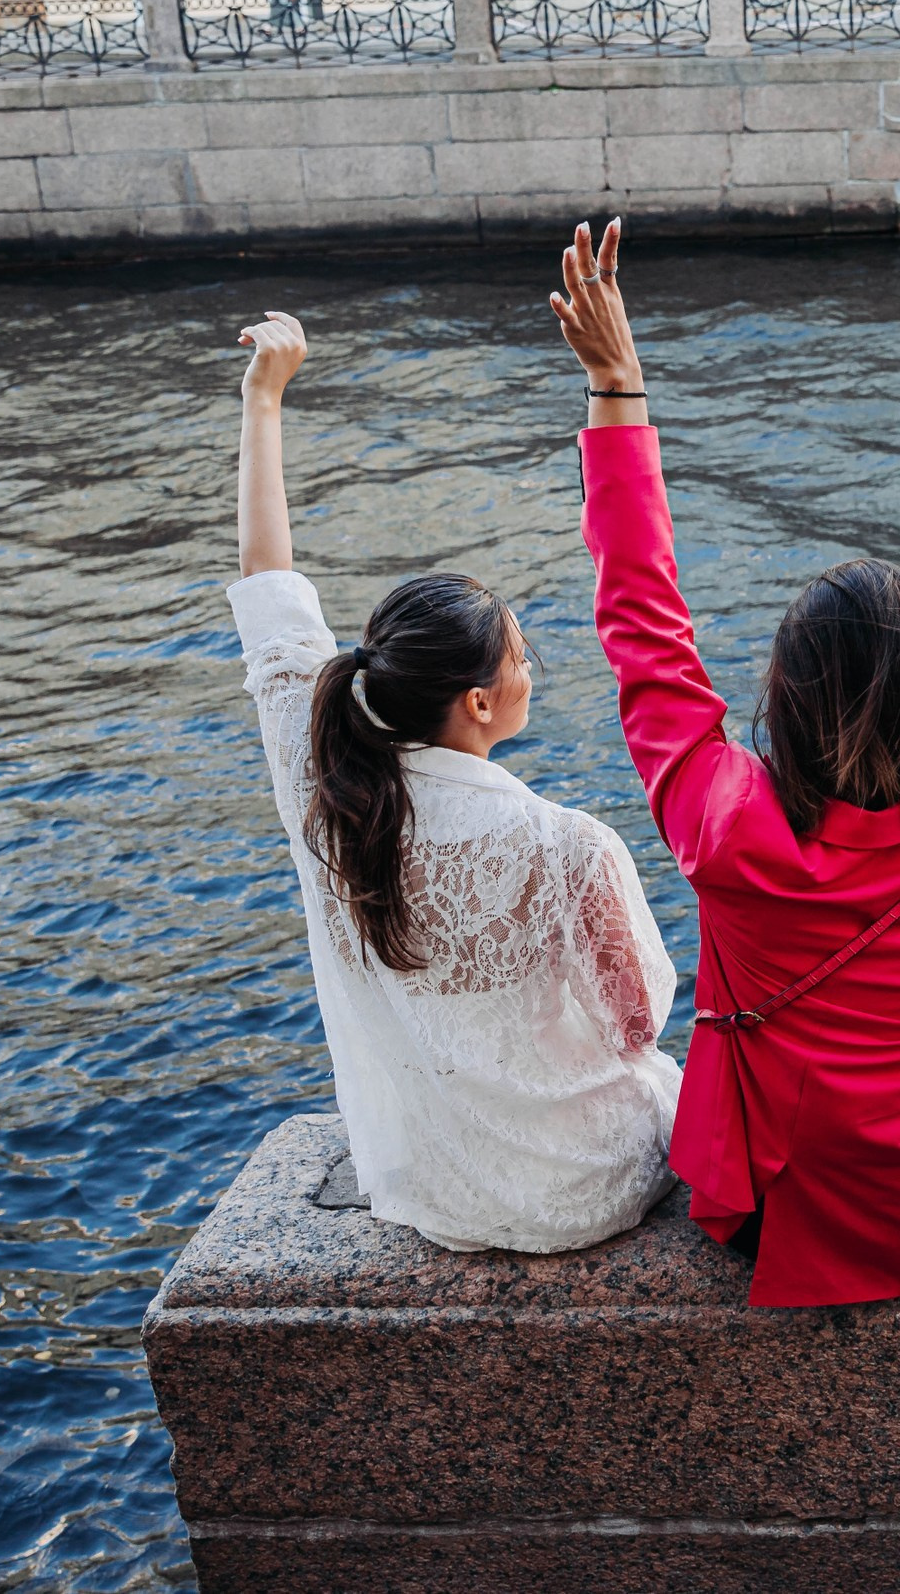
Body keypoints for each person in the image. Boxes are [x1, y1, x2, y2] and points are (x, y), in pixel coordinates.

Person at [552, 219, 900, 1309]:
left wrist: (620, 390)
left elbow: (644, 623)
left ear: (784, 699)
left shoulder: (728, 828)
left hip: (775, 1209)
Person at [226, 311, 684, 1255]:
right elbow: (637, 1021)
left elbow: (268, 584)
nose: (533, 666)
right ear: (480, 703)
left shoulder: (323, 780)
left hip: (427, 1186)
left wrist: (264, 400)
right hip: (584, 1190)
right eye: (522, 654)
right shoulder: (565, 842)